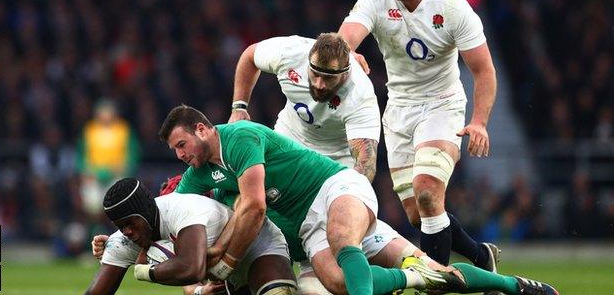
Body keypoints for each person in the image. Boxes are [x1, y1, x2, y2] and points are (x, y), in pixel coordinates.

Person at [92, 177, 559, 295]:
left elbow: (242, 218)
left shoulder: (244, 164)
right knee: (432, 275)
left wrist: (210, 270)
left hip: (333, 215)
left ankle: (505, 283)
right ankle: (511, 285)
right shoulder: (206, 186)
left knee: (337, 279)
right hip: (308, 236)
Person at [338, 0, 499, 278]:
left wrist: (480, 122)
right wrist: (347, 53)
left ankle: (435, 280)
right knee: (418, 214)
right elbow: (345, 38)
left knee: (427, 191)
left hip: (442, 104)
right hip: (398, 109)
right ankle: (479, 255)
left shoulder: (453, 8)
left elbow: (484, 70)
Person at [227, 32, 418, 293]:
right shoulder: (290, 52)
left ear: (346, 72)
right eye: (314, 73)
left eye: (328, 78)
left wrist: (348, 204)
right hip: (288, 144)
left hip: (330, 168)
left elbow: (366, 161)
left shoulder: (360, 95)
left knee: (336, 254)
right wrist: (239, 106)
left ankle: (406, 270)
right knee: (249, 200)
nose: (318, 83)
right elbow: (250, 55)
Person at [84, 177, 297, 295]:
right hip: (222, 276)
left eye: (130, 223)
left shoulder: (183, 210)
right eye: (120, 227)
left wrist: (145, 272)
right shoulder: (127, 236)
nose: (127, 232)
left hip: (256, 247)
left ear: (147, 211)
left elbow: (191, 268)